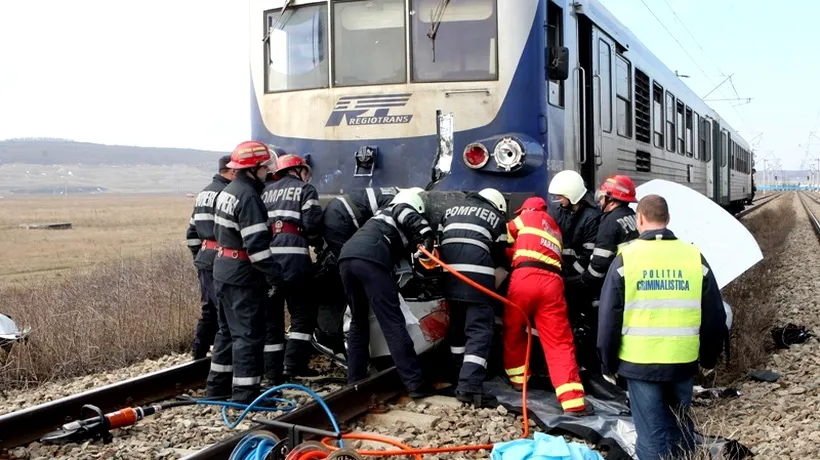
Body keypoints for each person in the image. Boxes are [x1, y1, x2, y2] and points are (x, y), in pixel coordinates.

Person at [597, 194, 727, 460]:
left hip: (639, 364)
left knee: (652, 438)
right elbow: (715, 314)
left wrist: (607, 364)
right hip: (682, 362)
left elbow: (609, 318)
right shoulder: (694, 257)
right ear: (668, 220)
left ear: (639, 220)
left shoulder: (625, 260)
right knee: (679, 431)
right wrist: (710, 357)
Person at [338, 188, 436, 398]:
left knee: (359, 321)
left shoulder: (378, 220)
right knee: (393, 323)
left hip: (346, 259)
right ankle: (416, 385)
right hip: (370, 260)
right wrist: (427, 234)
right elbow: (407, 214)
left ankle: (354, 381)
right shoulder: (398, 208)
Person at [205, 141, 281, 404]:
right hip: (242, 275)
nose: (267, 173)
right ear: (252, 169)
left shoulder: (228, 191)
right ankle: (246, 395)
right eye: (264, 168)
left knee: (226, 332)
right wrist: (274, 275)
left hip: (222, 269)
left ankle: (217, 388)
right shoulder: (248, 197)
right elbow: (257, 247)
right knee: (248, 335)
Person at [503, 197, 591, 416]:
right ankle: (573, 402)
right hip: (553, 283)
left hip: (525, 277)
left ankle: (518, 380)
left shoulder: (526, 217)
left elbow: (503, 238)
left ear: (525, 209)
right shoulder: (554, 228)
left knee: (513, 329)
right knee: (559, 341)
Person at [437, 188, 509, 407]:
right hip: (478, 280)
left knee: (457, 328)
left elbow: (441, 240)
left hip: (448, 278)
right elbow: (499, 257)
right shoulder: (496, 217)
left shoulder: (449, 211)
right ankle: (469, 387)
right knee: (479, 331)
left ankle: (456, 377)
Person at [261, 153, 324, 380]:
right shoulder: (305, 190)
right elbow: (313, 224)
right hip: (295, 260)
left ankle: (272, 371)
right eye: (306, 171)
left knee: (272, 319)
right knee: (303, 314)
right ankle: (294, 365)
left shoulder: (265, 191)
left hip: (268, 261)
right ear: (298, 169)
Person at [565, 175, 639, 369]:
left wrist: (570, 283)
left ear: (611, 199)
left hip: (612, 287)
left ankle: (598, 368)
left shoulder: (609, 223)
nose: (599, 200)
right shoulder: (631, 217)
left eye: (602, 196)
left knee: (599, 328)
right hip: (631, 284)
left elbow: (596, 270)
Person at [315, 187, 400, 355]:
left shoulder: (391, 194)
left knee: (349, 269)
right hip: (342, 220)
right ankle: (336, 333)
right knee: (356, 281)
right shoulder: (400, 203)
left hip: (339, 216)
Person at [185, 155, 236, 359]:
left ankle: (198, 353)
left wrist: (200, 257)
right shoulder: (227, 194)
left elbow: (191, 232)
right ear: (232, 171)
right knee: (227, 313)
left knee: (209, 309)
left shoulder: (203, 193)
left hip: (205, 258)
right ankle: (226, 362)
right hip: (223, 259)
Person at [547, 170, 601, 357]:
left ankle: (584, 354)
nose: (558, 200)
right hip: (565, 272)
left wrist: (569, 276)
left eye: (561, 196)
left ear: (572, 195)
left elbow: (587, 255)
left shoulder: (591, 217)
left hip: (580, 278)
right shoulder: (562, 210)